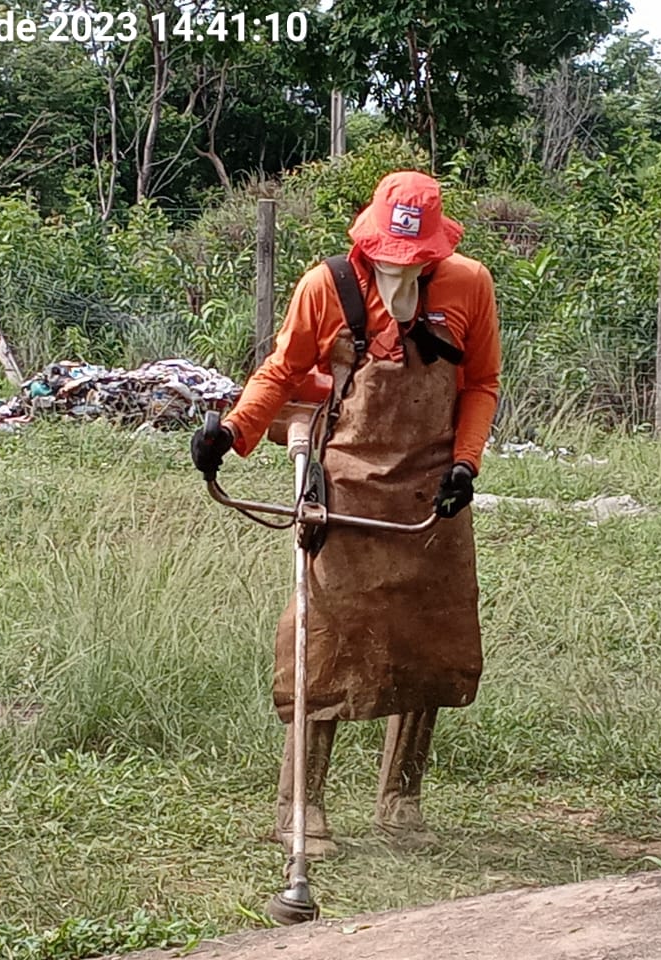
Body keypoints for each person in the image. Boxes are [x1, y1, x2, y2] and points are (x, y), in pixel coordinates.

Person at [190, 170, 502, 856]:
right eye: (392, 257)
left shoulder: (470, 286)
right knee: (322, 637)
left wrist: (465, 466)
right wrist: (232, 432)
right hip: (343, 484)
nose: (402, 271)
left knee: (431, 639)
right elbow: (281, 370)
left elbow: (480, 383)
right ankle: (299, 807)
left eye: (416, 263)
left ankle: (401, 797)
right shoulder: (326, 286)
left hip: (432, 491)